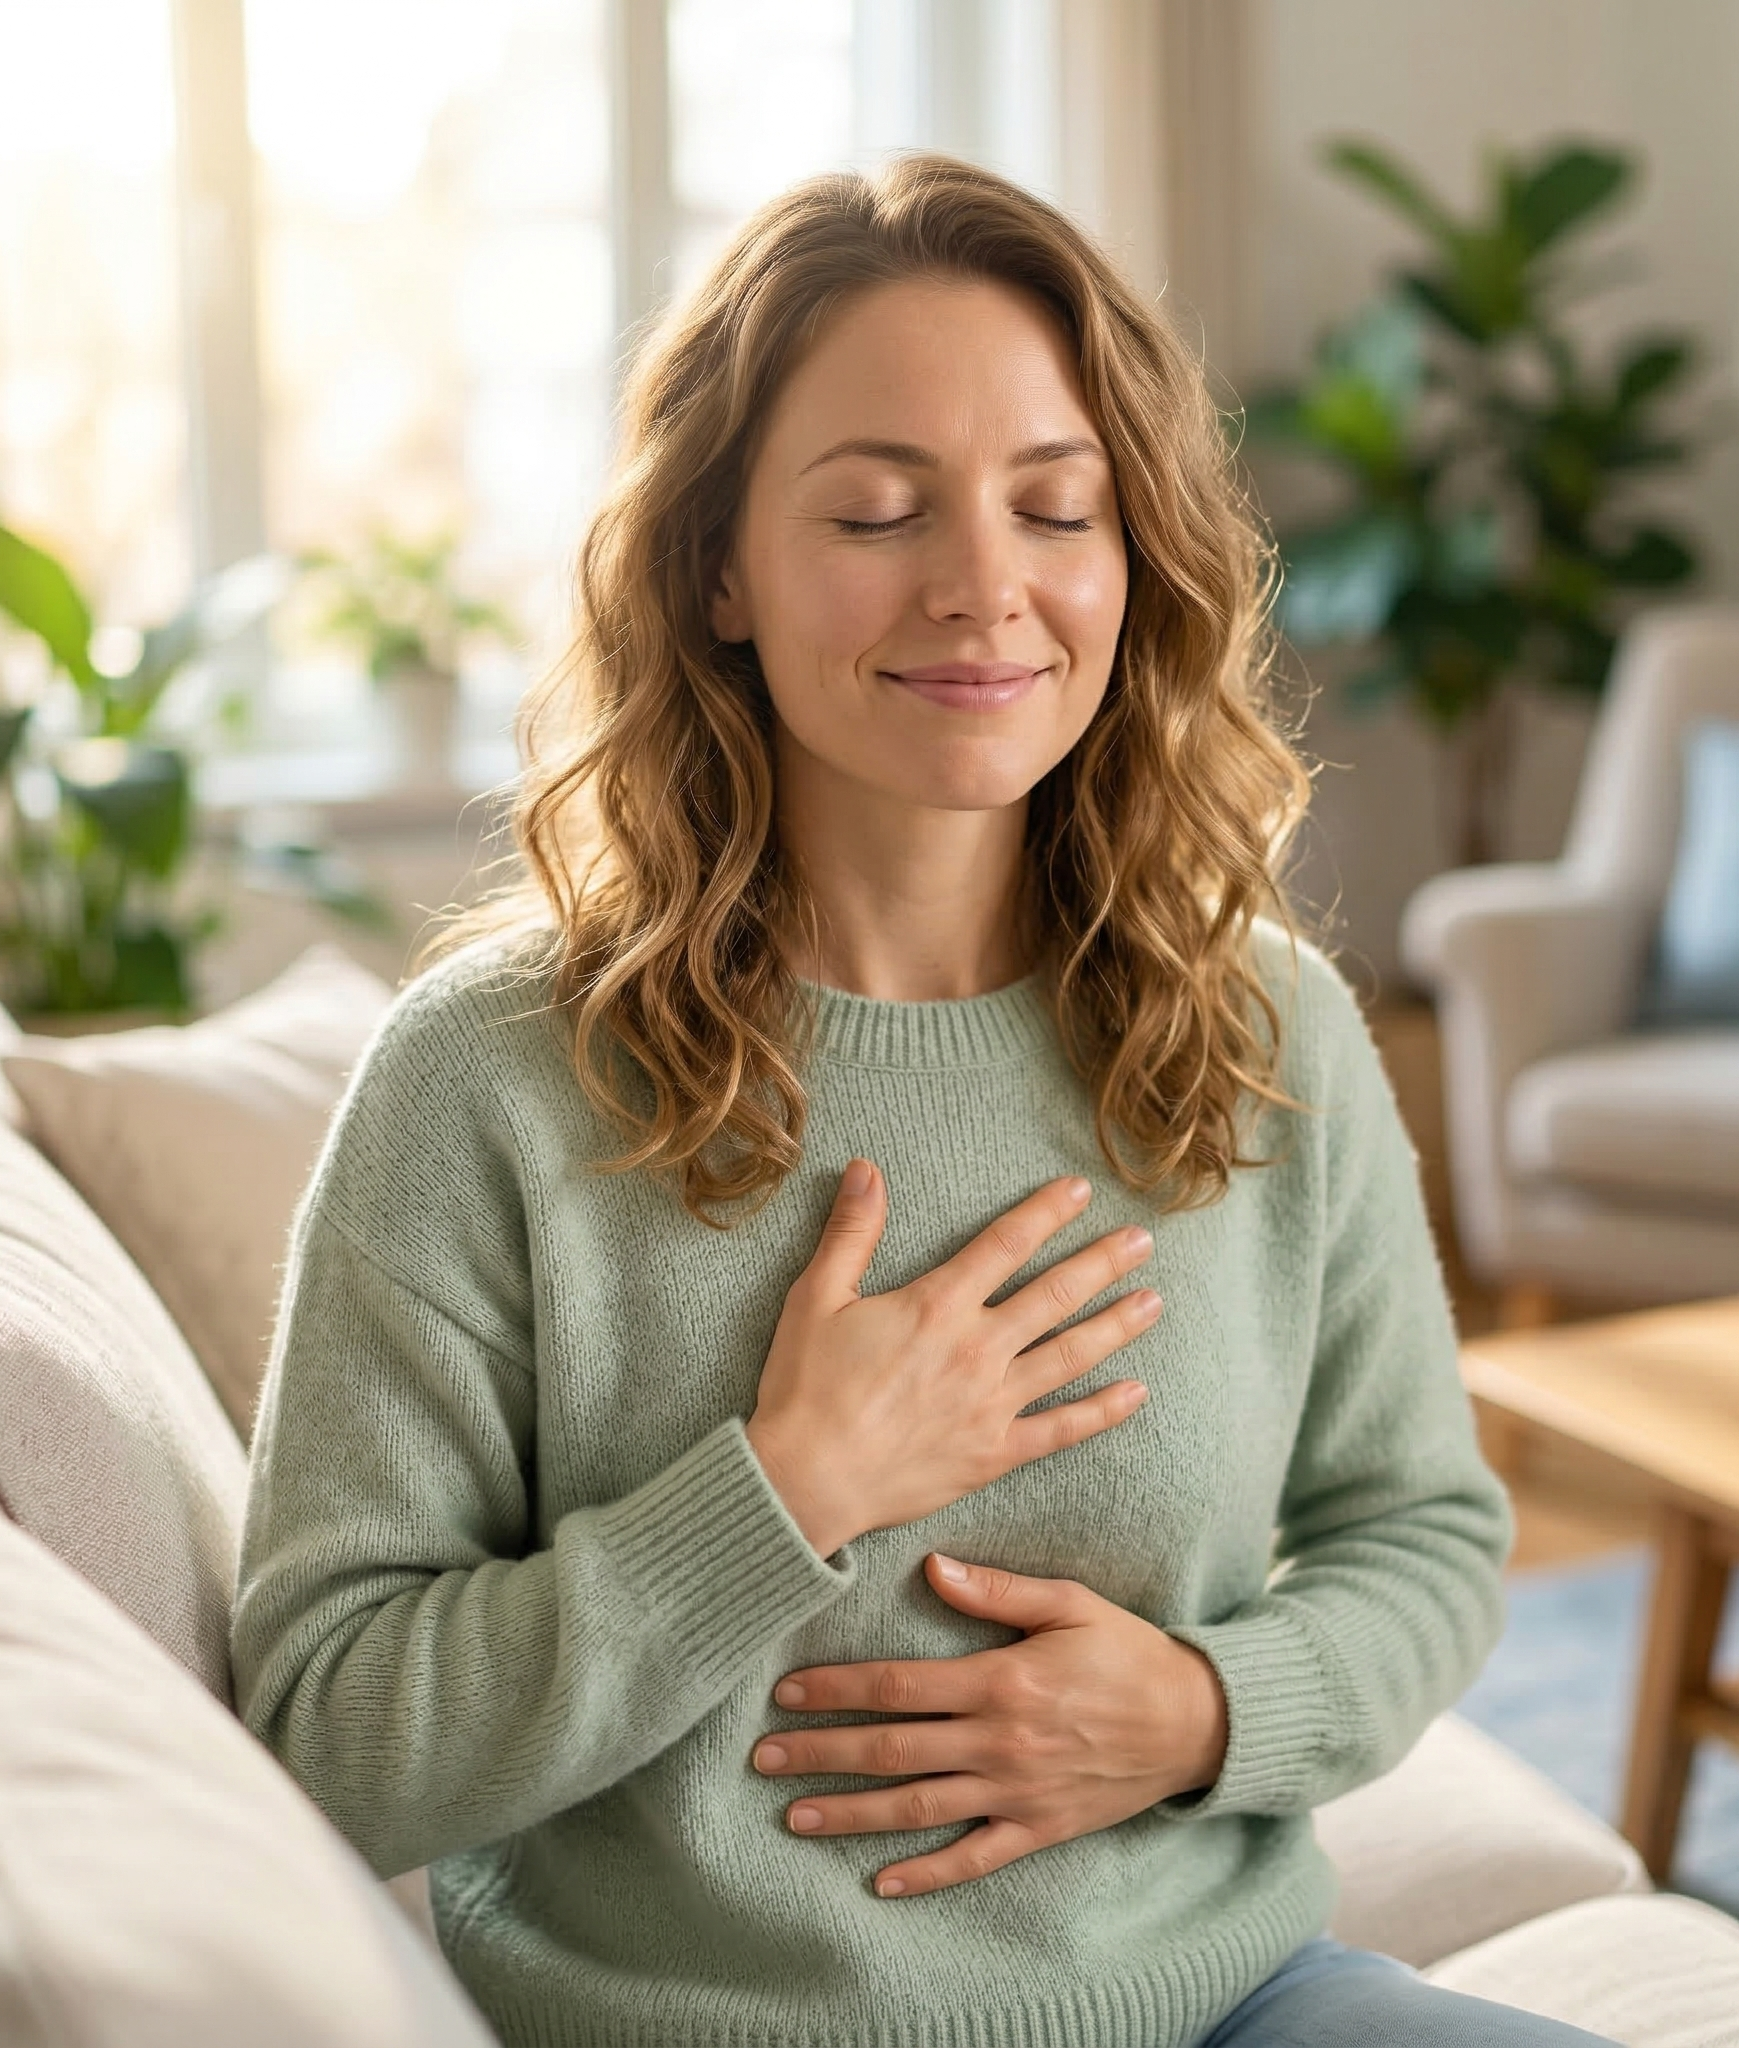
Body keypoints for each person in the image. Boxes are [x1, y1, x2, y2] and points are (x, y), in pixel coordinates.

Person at [231, 153, 1619, 2048]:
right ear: (715, 565)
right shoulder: (491, 1076)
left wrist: (1207, 1713)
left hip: (1235, 2004)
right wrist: (790, 1487)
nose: (986, 587)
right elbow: (330, 1728)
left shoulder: (1264, 1028)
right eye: (880, 511)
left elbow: (1427, 1533)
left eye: (1059, 505)